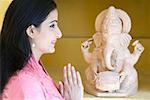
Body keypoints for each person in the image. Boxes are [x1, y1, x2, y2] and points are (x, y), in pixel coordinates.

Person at [0, 0, 84, 100]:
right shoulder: (26, 84)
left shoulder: (36, 70)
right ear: (31, 31)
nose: (59, 33)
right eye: (52, 26)